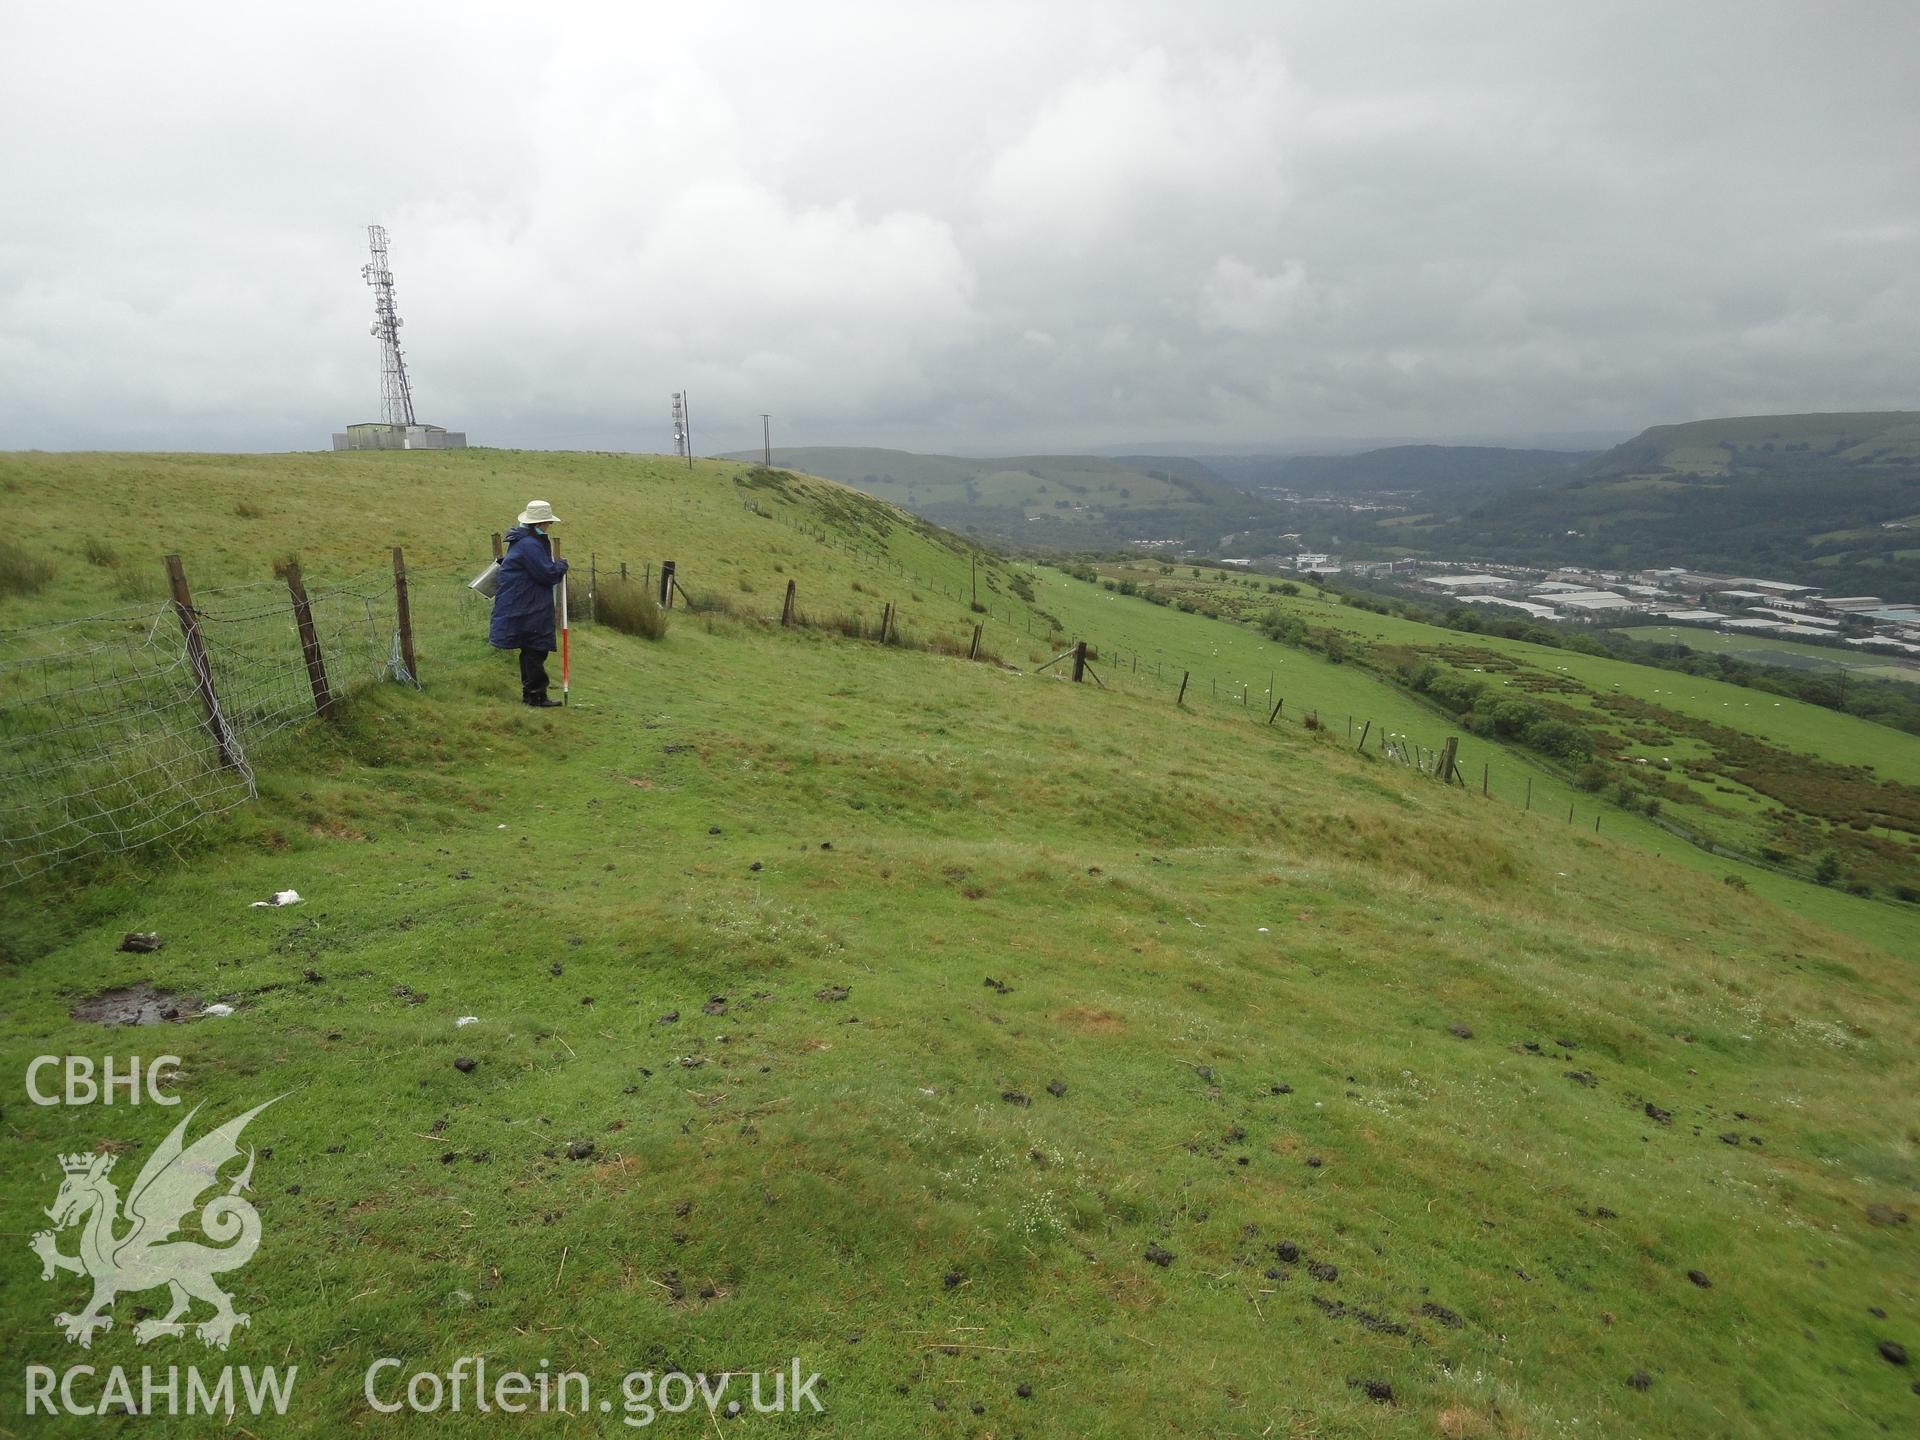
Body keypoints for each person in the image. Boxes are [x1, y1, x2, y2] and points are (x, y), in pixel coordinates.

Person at [489, 500, 569, 707]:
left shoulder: (525, 541)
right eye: (547, 522)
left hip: (524, 602)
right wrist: (561, 566)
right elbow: (546, 574)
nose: (549, 526)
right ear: (540, 523)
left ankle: (533, 693)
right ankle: (535, 695)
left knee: (531, 648)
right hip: (528, 604)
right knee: (535, 648)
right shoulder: (529, 544)